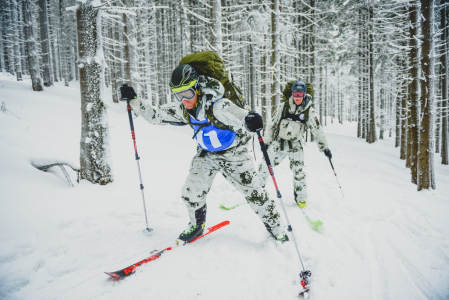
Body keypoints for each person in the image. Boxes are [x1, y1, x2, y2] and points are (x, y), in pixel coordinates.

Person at [120, 64, 288, 243]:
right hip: (206, 155)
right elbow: (156, 115)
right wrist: (134, 100)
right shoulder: (183, 109)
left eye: (188, 94)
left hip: (234, 154)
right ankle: (197, 225)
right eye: (179, 95)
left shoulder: (218, 105)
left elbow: (240, 115)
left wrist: (250, 120)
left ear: (197, 90)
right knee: (191, 191)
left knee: (255, 194)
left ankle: (277, 229)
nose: (184, 99)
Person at [257, 80, 332, 209]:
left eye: (300, 94)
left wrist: (324, 148)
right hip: (278, 142)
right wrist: (266, 142)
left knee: (299, 172)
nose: (298, 97)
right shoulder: (283, 107)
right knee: (265, 166)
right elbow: (271, 124)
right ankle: (257, 192)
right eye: (296, 94)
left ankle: (301, 197)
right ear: (292, 94)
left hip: (295, 145)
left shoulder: (309, 111)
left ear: (304, 95)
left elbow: (317, 130)